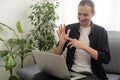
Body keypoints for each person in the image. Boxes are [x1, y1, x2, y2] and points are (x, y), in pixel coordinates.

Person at [32, 0, 111, 80]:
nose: (81, 18)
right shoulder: (70, 29)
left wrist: (83, 46)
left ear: (93, 13)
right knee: (38, 77)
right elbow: (57, 53)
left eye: (85, 15)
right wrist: (61, 44)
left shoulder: (101, 32)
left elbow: (106, 58)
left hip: (90, 74)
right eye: (79, 14)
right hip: (69, 72)